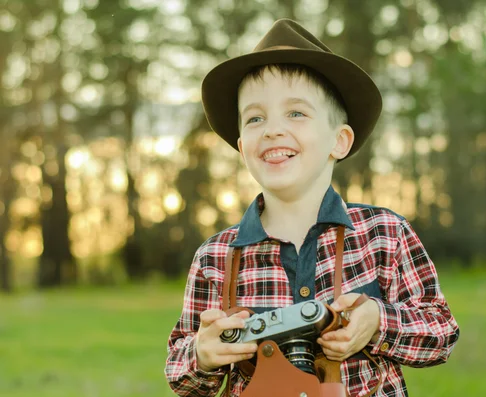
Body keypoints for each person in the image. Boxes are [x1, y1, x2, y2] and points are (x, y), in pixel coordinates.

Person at [165, 18, 459, 397]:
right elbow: (182, 377)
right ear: (242, 148)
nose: (272, 129)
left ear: (339, 141)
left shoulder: (384, 234)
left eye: (296, 113)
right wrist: (202, 355)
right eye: (255, 118)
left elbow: (441, 332)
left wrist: (377, 321)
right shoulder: (216, 257)